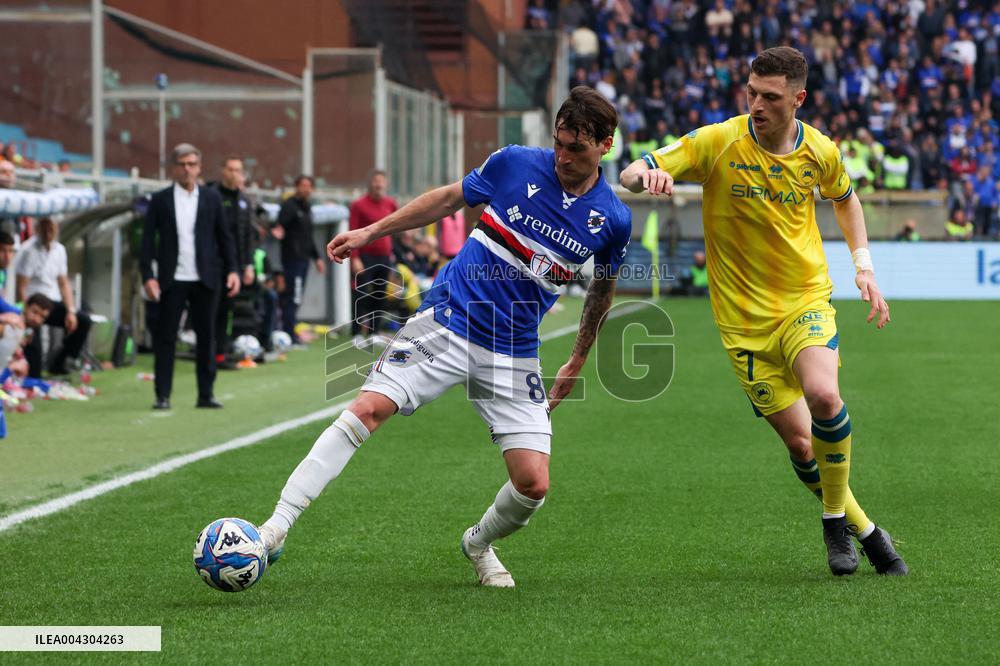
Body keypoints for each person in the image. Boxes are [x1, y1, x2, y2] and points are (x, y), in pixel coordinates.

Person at [253, 87, 632, 588]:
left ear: (605, 145)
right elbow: (450, 198)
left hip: (514, 349)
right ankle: (271, 531)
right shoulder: (515, 162)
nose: (563, 156)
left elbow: (602, 291)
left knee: (533, 484)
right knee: (366, 409)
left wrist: (577, 359)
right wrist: (371, 233)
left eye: (577, 149)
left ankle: (478, 543)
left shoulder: (613, 219)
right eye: (560, 142)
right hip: (448, 320)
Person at [621, 47, 907, 577]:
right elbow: (635, 170)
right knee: (801, 444)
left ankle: (831, 521)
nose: (756, 104)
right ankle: (864, 530)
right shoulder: (718, 141)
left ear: (798, 99)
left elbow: (845, 199)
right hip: (742, 323)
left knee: (824, 395)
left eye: (770, 97)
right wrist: (647, 177)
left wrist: (863, 266)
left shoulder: (819, 150)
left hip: (804, 299)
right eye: (751, 93)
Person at [140, 143, 239, 410]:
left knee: (207, 338)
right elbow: (147, 242)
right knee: (166, 338)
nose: (187, 169)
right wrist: (148, 276)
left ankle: (205, 394)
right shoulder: (160, 200)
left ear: (199, 167)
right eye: (182, 164)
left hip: (205, 278)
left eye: (192, 164)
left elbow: (224, 237)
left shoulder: (211, 198)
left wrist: (233, 270)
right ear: (174, 168)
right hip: (171, 279)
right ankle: (162, 395)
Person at [14, 217, 93, 377]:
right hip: (34, 303)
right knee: (33, 342)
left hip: (51, 302)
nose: (49, 234)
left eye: (52, 230)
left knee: (82, 320)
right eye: (45, 230)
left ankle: (60, 362)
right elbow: (21, 287)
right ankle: (33, 371)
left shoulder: (60, 250)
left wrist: (71, 311)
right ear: (37, 230)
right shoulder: (28, 250)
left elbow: (63, 283)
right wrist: (25, 314)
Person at [210, 156, 256, 358]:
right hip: (213, 263)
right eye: (230, 169)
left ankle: (220, 353)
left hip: (234, 266)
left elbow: (247, 236)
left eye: (238, 170)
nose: (234, 173)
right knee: (210, 308)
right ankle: (207, 351)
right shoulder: (212, 196)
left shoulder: (244, 201)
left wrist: (248, 265)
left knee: (226, 309)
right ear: (223, 171)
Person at [272, 175, 324, 343]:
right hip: (291, 259)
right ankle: (289, 334)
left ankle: (289, 330)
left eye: (309, 186)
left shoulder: (307, 208)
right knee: (292, 296)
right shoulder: (289, 206)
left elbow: (308, 236)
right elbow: (278, 227)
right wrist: (276, 230)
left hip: (304, 260)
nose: (306, 189)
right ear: (296, 187)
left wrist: (317, 258)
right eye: (303, 185)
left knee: (296, 296)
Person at [348, 170, 397, 337]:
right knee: (360, 294)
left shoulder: (390, 204)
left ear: (386, 184)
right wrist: (354, 258)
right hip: (365, 257)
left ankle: (374, 333)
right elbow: (353, 231)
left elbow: (395, 228)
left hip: (384, 257)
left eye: (382, 182)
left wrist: (393, 254)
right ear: (370, 184)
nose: (379, 185)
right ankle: (356, 333)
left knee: (380, 295)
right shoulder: (359, 205)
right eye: (376, 181)